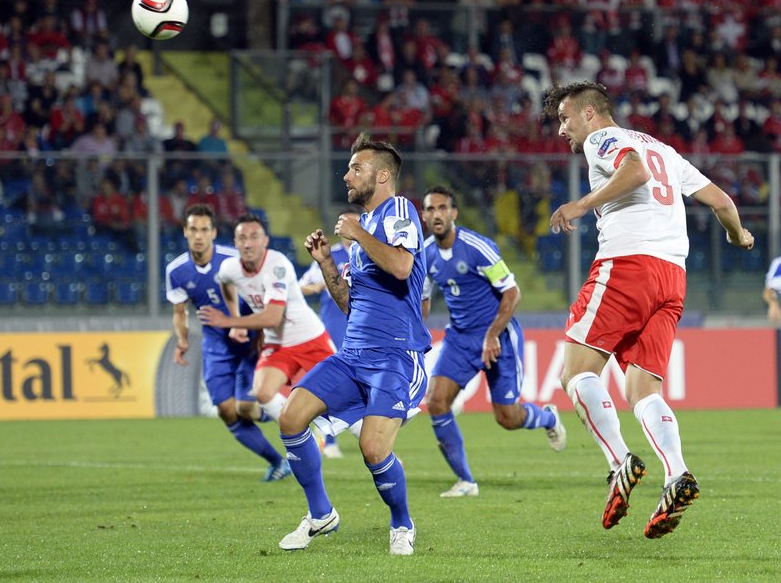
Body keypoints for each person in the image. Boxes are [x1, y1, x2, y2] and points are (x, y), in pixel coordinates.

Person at [544, 81, 754, 539]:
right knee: (642, 390)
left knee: (576, 372)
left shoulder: (604, 139)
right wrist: (738, 235)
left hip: (627, 264)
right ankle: (677, 473)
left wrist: (581, 204)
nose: (562, 129)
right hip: (672, 278)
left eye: (565, 118)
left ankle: (619, 460)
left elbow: (634, 173)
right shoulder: (667, 151)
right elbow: (722, 201)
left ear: (589, 114)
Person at [272, 133, 430, 556]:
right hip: (353, 354)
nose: (346, 176)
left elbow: (401, 266)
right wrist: (327, 263)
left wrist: (358, 233)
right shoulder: (364, 239)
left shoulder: (398, 210)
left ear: (381, 176)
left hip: (396, 354)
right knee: (290, 417)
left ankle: (401, 524)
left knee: (373, 448)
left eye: (355, 168)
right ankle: (321, 514)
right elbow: (348, 304)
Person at [420, 186, 566, 498]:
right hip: (459, 338)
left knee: (508, 418)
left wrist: (491, 336)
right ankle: (466, 481)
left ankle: (549, 417)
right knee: (436, 401)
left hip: (499, 336)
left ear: (454, 213)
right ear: (423, 215)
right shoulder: (426, 255)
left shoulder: (478, 247)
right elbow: (423, 301)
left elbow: (512, 294)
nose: (436, 215)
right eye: (430, 209)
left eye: (442, 208)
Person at [166, 205, 291, 482]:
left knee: (246, 407)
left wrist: (247, 325)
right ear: (185, 232)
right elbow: (179, 312)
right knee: (225, 410)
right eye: (193, 230)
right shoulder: (176, 271)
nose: (198, 236)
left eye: (204, 230)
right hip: (216, 346)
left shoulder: (232, 259)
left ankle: (288, 413)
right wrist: (182, 340)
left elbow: (260, 290)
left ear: (213, 233)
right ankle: (277, 462)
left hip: (248, 342)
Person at [197, 215, 336, 428]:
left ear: (265, 241)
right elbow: (226, 283)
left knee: (342, 399)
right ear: (235, 243)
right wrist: (236, 320)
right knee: (263, 392)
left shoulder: (277, 265)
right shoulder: (229, 268)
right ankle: (303, 433)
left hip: (310, 338)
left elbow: (272, 317)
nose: (247, 243)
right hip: (278, 344)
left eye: (254, 237)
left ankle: (381, 453)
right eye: (242, 238)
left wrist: (229, 320)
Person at [298, 207, 362, 460]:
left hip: (360, 330)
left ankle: (328, 431)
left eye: (355, 222)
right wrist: (318, 285)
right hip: (333, 327)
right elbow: (301, 287)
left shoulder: (370, 253)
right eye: (345, 222)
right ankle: (330, 438)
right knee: (335, 383)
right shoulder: (330, 254)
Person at [763, 256, 781, 323]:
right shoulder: (778, 261)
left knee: (774, 306)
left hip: (774, 287)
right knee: (774, 305)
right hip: (774, 288)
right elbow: (770, 276)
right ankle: (774, 325)